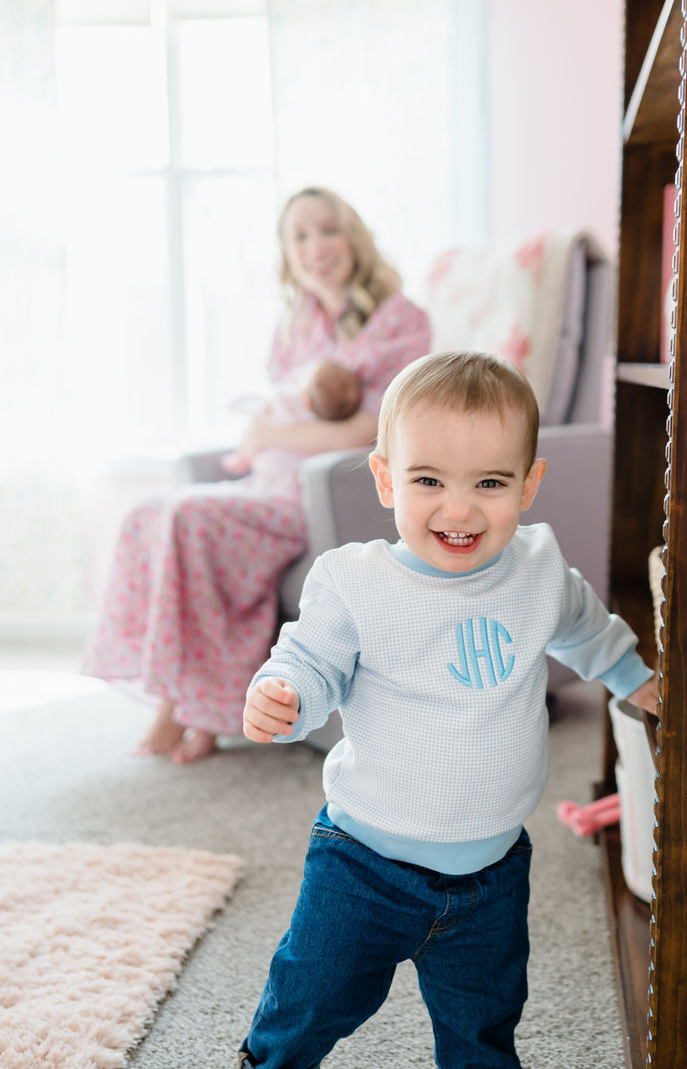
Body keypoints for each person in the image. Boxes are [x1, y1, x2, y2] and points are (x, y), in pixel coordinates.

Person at [233, 351, 660, 1069]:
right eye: (428, 480)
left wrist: (634, 677)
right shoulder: (356, 583)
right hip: (366, 858)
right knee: (316, 981)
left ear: (528, 484)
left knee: (486, 1012)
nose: (458, 507)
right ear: (386, 479)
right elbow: (311, 661)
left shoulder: (537, 569)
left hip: (492, 867)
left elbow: (585, 625)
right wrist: (282, 692)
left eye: (489, 484)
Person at [82, 187, 431, 765]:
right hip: (265, 483)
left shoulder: (401, 320)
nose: (316, 246)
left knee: (191, 517)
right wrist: (263, 438)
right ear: (286, 254)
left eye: (328, 229)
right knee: (151, 511)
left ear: (354, 237)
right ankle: (176, 691)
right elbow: (274, 407)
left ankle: (194, 707)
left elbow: (374, 424)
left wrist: (269, 436)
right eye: (300, 236)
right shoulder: (294, 326)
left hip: (322, 493)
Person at [220, 359, 363, 479]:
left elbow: (264, 407)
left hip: (270, 463)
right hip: (294, 471)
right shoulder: (322, 425)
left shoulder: (289, 404)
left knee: (255, 438)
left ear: (307, 400)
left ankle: (240, 460)